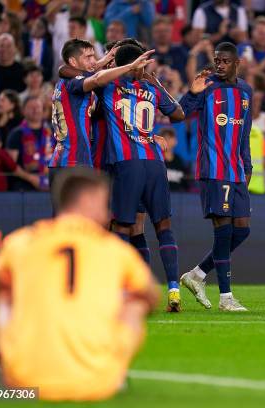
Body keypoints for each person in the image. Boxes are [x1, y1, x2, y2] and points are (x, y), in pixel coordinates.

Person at [0, 168, 159, 401]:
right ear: (88, 201)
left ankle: (4, 369)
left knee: (6, 293)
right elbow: (152, 296)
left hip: (23, 381)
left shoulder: (23, 240)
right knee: (135, 301)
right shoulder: (114, 250)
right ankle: (116, 374)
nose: (108, 214)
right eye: (104, 203)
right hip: (97, 383)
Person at [94, 44, 185, 312]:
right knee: (163, 227)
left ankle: (122, 291)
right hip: (155, 163)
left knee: (122, 228)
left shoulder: (108, 87)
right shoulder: (151, 88)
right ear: (136, 64)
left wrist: (108, 65)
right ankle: (173, 291)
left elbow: (87, 79)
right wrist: (154, 80)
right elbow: (178, 114)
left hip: (127, 163)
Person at [179, 42, 254, 312]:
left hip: (236, 170)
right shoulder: (207, 86)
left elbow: (245, 133)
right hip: (213, 170)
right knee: (223, 233)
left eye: (224, 61)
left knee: (242, 230)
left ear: (237, 63)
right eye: (216, 60)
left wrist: (248, 167)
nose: (219, 65)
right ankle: (226, 298)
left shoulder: (246, 91)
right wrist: (191, 92)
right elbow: (180, 114)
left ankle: (197, 275)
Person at [48, 39, 151, 199]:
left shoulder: (64, 83)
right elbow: (96, 79)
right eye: (88, 57)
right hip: (73, 161)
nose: (93, 61)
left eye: (93, 56)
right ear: (73, 61)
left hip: (61, 159)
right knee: (77, 221)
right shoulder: (73, 83)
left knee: (64, 221)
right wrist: (130, 66)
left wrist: (102, 61)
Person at [5, 96, 53, 191]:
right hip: (25, 183)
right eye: (31, 107)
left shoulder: (53, 131)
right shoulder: (16, 134)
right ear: (23, 111)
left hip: (51, 179)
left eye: (38, 107)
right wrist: (32, 179)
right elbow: (11, 165)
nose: (35, 110)